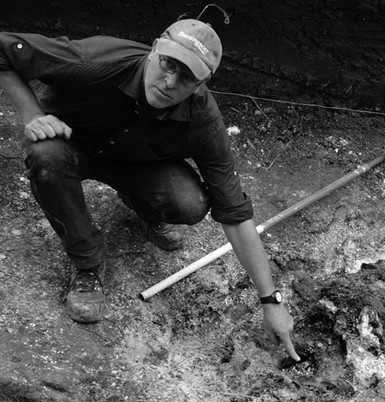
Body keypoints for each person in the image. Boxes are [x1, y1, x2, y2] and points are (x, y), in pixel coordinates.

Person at [0, 19, 300, 361]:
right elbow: (3, 49)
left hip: (136, 164)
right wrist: (32, 114)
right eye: (167, 64)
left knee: (190, 203)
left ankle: (142, 211)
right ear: (156, 47)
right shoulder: (93, 60)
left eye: (186, 77)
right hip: (70, 147)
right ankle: (87, 263)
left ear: (203, 82)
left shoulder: (204, 120)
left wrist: (270, 300)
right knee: (45, 157)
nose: (170, 82)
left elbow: (234, 212)